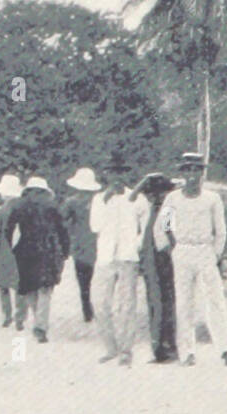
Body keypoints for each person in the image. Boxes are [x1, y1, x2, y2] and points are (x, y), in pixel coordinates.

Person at [155, 153, 227, 368]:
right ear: (182, 173)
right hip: (182, 250)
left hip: (205, 251)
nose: (192, 175)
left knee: (215, 301)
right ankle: (187, 352)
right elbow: (162, 226)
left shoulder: (212, 198)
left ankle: (226, 351)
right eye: (188, 170)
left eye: (196, 170)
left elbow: (220, 230)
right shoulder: (173, 198)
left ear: (202, 173)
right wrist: (172, 247)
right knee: (184, 303)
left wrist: (216, 254)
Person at [90, 152, 148, 367]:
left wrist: (137, 245)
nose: (115, 177)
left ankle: (126, 350)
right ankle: (110, 347)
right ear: (105, 175)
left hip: (127, 256)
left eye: (119, 173)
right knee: (99, 302)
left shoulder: (137, 198)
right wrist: (105, 200)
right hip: (105, 256)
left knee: (126, 305)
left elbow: (146, 225)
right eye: (111, 172)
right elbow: (94, 227)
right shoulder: (98, 199)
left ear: (125, 175)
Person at [4, 176, 70, 343]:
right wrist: (65, 250)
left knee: (30, 288)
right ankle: (40, 325)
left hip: (25, 251)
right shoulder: (52, 206)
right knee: (46, 289)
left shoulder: (18, 206)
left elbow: (8, 230)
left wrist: (10, 249)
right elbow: (62, 230)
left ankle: (38, 321)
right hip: (48, 251)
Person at [136, 172, 179, 364]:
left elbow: (170, 234)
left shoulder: (169, 210)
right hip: (150, 260)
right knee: (155, 304)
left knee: (166, 303)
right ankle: (158, 348)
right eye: (152, 193)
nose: (155, 196)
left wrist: (171, 251)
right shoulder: (147, 209)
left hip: (163, 259)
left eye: (160, 193)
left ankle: (168, 347)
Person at [61, 166, 102, 324]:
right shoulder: (100, 200)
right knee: (98, 280)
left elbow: (63, 221)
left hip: (80, 245)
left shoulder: (72, 202)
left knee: (83, 282)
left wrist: (71, 233)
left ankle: (87, 311)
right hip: (98, 244)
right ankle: (97, 309)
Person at [0, 174, 23, 327]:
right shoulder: (23, 209)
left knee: (3, 285)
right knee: (19, 285)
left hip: (3, 248)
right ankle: (20, 317)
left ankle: (7, 315)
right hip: (20, 248)